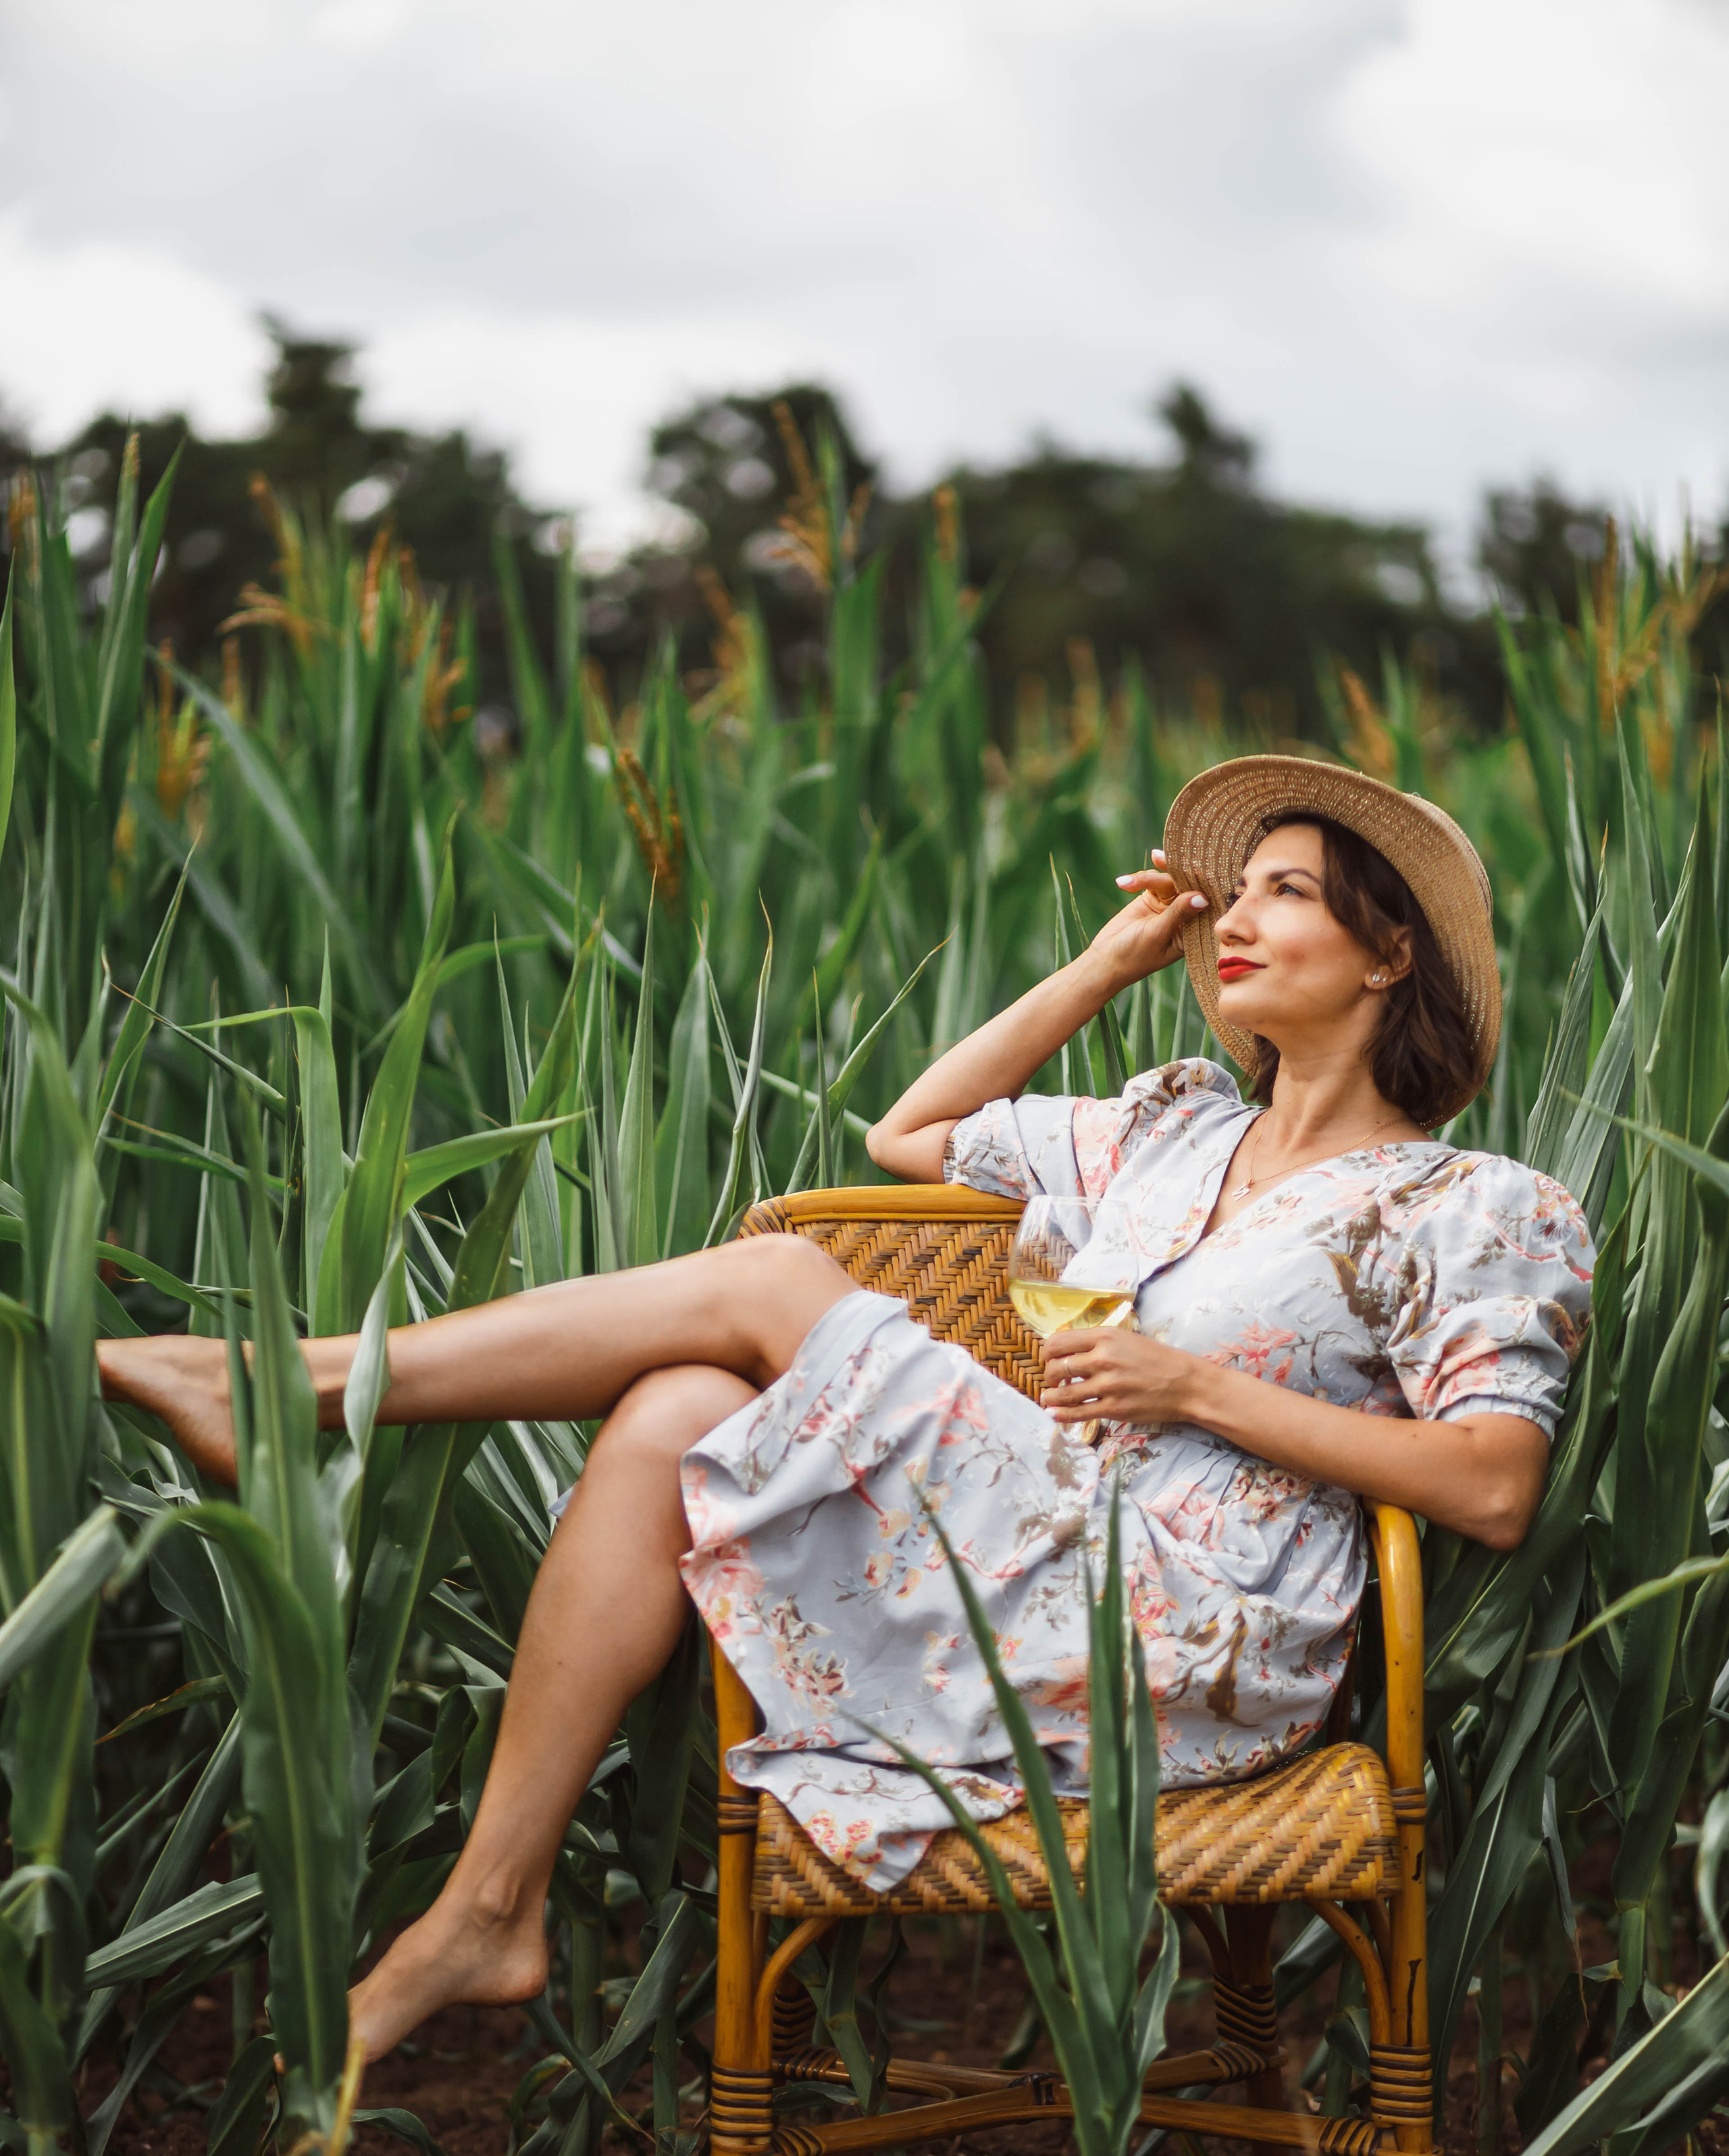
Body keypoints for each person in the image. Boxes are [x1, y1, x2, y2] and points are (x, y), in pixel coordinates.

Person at [99, 756, 1595, 2062]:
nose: (1234, 918)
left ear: (1388, 952)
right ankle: (489, 1906)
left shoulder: (1468, 1204)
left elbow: (1489, 1488)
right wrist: (1101, 967)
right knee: (676, 1403)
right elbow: (911, 1132)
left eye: (1285, 893)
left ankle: (288, 1391)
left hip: (1203, 1631)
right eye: (1231, 893)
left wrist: (1190, 1384)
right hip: (1052, 1557)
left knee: (771, 1288)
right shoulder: (1166, 1125)